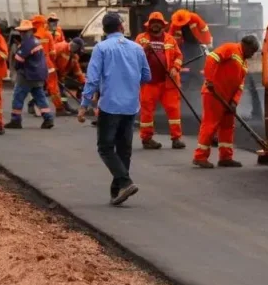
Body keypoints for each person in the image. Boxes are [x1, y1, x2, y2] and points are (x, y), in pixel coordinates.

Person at [79, 12, 151, 206]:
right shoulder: (137, 48)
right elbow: (146, 76)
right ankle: (117, 190)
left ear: (104, 29)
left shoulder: (101, 48)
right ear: (121, 27)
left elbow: (92, 79)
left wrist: (84, 104)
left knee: (105, 147)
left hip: (110, 105)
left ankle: (125, 182)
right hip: (130, 105)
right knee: (123, 149)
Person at [193, 35, 260, 168]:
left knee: (228, 127)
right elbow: (212, 58)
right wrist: (210, 80)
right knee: (210, 124)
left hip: (227, 100)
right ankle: (200, 156)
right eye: (252, 51)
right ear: (245, 45)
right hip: (213, 94)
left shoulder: (244, 63)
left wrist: (234, 102)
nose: (252, 55)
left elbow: (240, 85)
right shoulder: (230, 48)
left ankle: (225, 157)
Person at [134, 12, 185, 150]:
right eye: (153, 22)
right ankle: (147, 139)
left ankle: (176, 138)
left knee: (173, 110)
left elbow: (179, 56)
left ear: (163, 25)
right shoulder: (141, 39)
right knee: (147, 111)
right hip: (148, 82)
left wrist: (175, 67)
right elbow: (133, 57)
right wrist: (145, 50)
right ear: (149, 25)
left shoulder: (170, 39)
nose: (155, 25)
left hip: (168, 82)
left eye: (158, 22)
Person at [6, 20, 55, 130]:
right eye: (21, 31)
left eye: (23, 31)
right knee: (40, 96)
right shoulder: (36, 41)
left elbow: (18, 60)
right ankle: (48, 118)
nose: (22, 34)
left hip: (27, 75)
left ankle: (16, 120)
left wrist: (18, 69)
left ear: (29, 31)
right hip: (39, 74)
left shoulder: (27, 43)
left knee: (18, 96)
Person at [30, 14, 66, 115]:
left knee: (36, 86)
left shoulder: (31, 35)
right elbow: (53, 53)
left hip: (35, 65)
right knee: (53, 87)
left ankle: (36, 107)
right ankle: (59, 108)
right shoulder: (47, 34)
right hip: (48, 64)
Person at [54, 36, 86, 108]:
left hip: (59, 74)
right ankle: (61, 109)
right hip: (50, 71)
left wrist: (83, 82)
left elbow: (77, 71)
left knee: (61, 91)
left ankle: (65, 107)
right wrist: (53, 70)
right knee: (47, 90)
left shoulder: (74, 56)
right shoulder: (60, 47)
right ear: (75, 47)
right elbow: (49, 59)